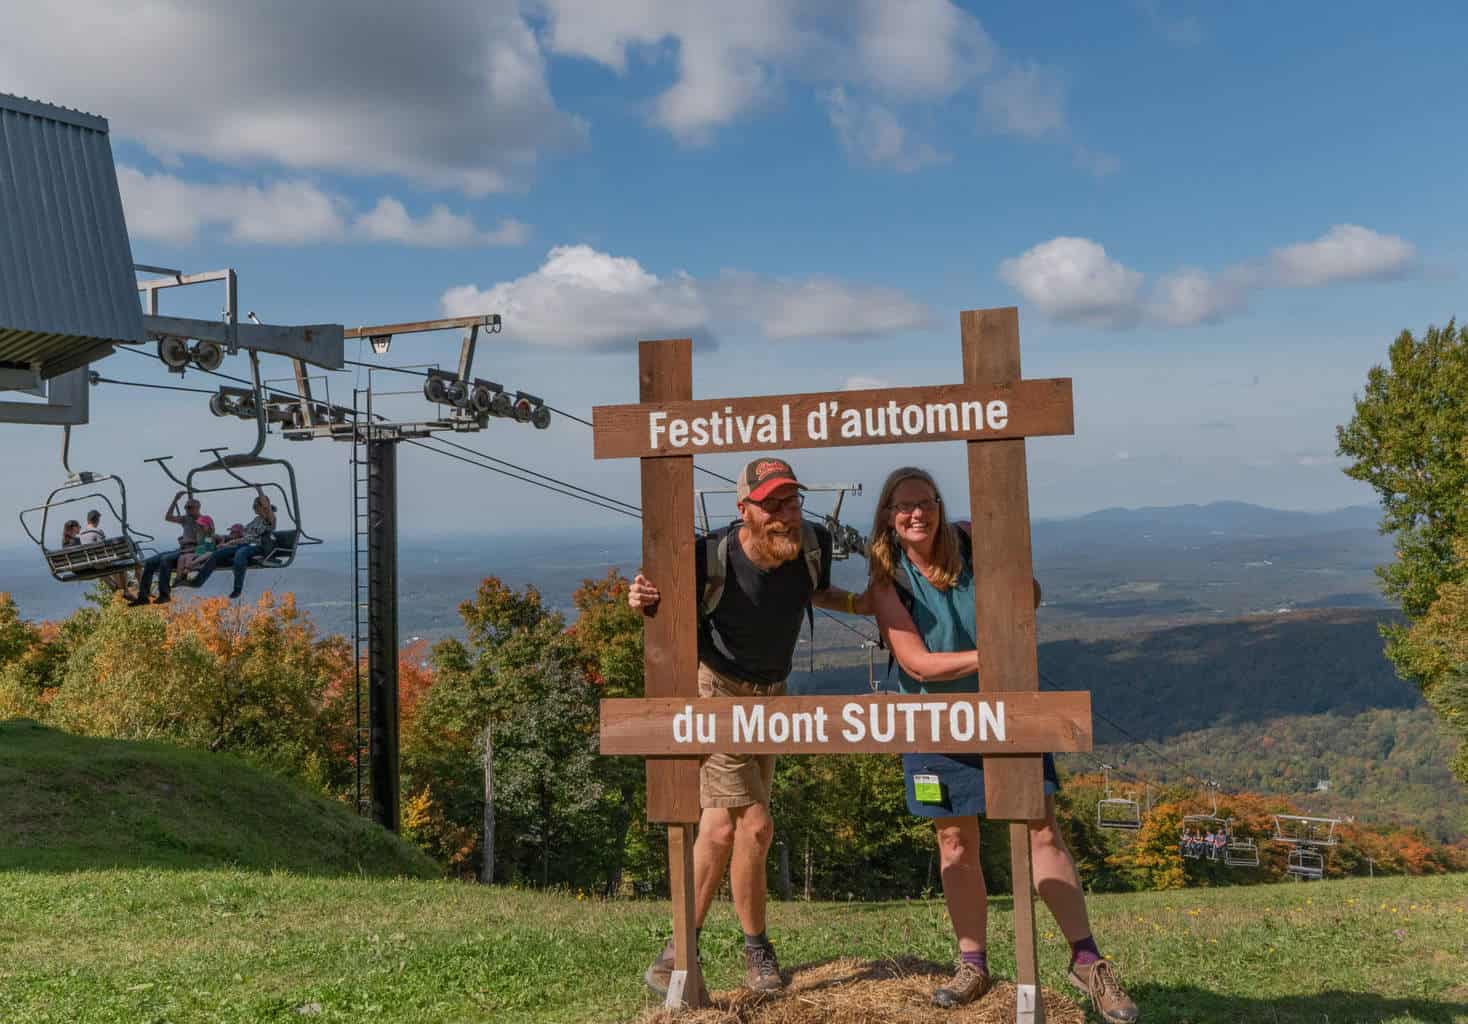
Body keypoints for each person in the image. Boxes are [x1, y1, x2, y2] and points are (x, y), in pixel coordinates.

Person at [868, 466, 1138, 1022]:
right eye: (904, 507)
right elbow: (917, 663)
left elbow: (1030, 595)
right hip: (933, 722)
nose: (916, 514)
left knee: (1041, 827)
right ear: (889, 518)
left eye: (926, 502)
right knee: (954, 843)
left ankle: (1087, 961)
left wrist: (1016, 588)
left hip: (1006, 711)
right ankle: (973, 962)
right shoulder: (887, 579)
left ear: (940, 506)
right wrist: (995, 656)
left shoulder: (974, 540)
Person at [628, 457, 872, 998]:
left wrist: (860, 603)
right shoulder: (709, 555)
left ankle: (677, 953)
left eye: (792, 501)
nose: (786, 515)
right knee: (756, 825)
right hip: (716, 692)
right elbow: (662, 601)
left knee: (723, 830)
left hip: (771, 696)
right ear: (745, 510)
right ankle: (755, 951)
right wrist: (640, 597)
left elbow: (813, 593)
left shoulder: (812, 543)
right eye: (772, 505)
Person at [190, 491, 276, 599]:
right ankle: (198, 581)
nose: (253, 508)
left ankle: (237, 588)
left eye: (255, 506)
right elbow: (245, 535)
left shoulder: (269, 520)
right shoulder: (256, 520)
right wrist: (226, 539)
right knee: (217, 554)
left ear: (262, 507)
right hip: (246, 545)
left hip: (261, 547)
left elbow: (266, 507)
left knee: (241, 553)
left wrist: (259, 490)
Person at [131, 492, 205, 606]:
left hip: (191, 551)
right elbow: (168, 517)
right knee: (150, 562)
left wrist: (196, 555)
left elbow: (207, 541)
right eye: (185, 507)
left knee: (166, 559)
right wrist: (175, 499)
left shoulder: (203, 522)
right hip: (182, 549)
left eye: (189, 507)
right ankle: (143, 596)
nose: (186, 510)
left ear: (197, 508)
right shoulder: (186, 519)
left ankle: (164, 595)